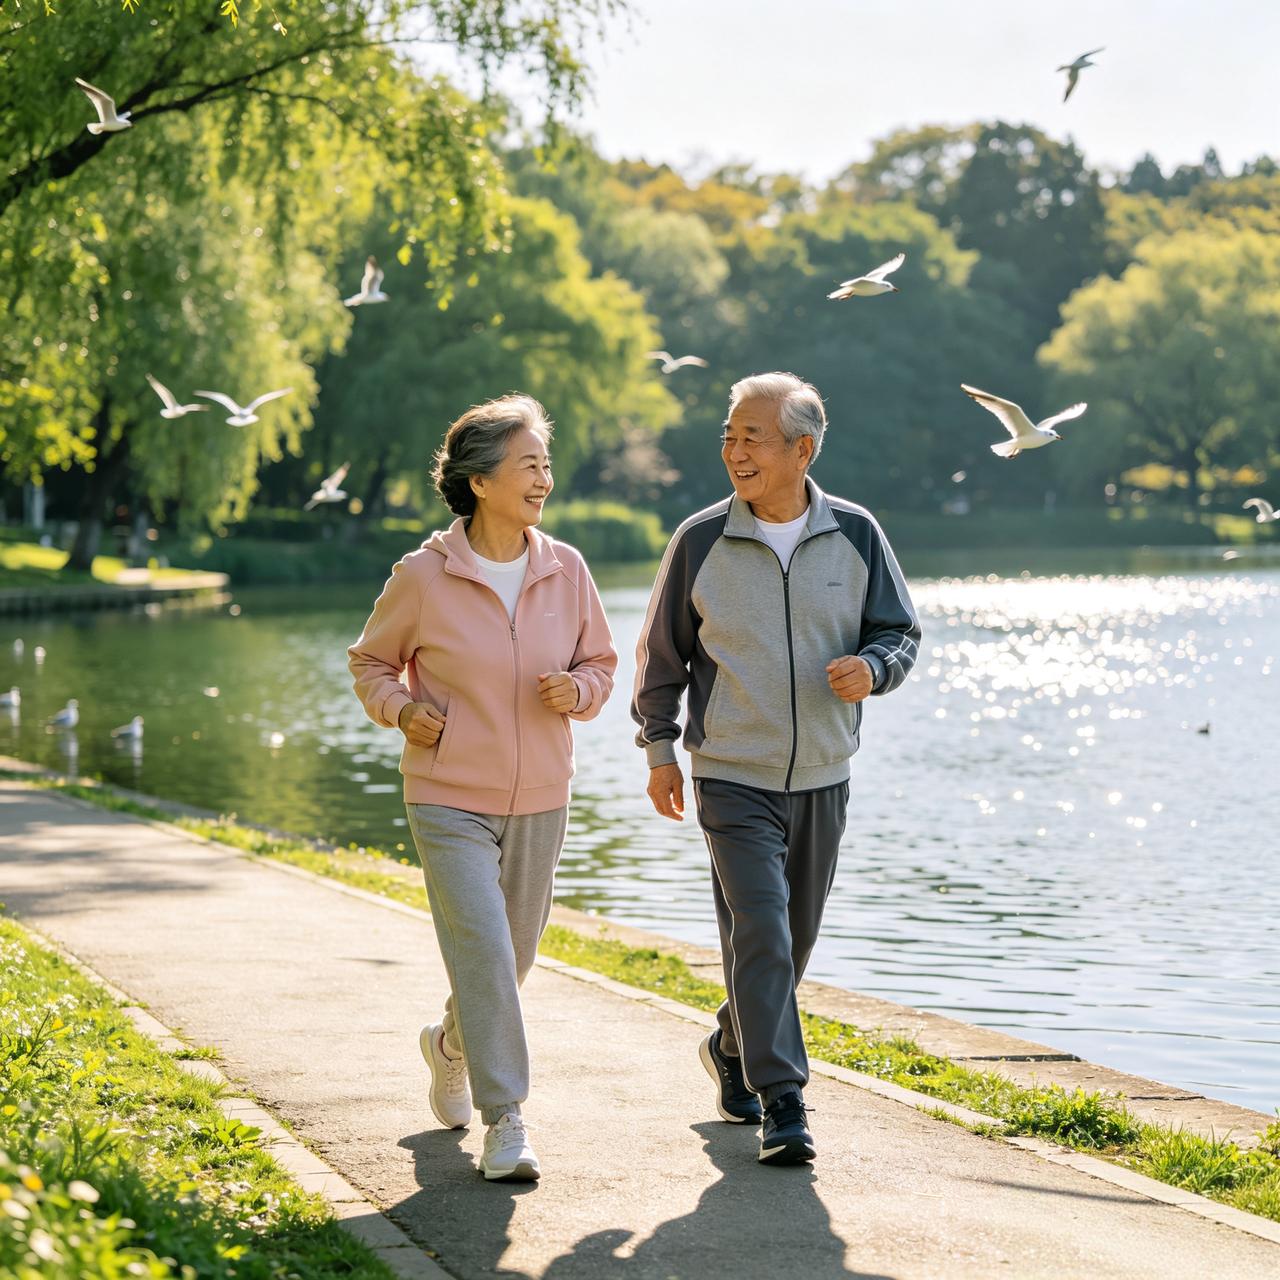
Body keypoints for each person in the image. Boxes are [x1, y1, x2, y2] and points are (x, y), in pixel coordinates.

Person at [632, 371, 921, 1166]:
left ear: (803, 450)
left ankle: (733, 1044)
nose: (735, 451)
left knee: (790, 942)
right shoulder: (700, 540)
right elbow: (660, 657)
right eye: (728, 437)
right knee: (760, 927)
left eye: (751, 437)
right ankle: (783, 1101)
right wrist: (660, 752)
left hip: (824, 774)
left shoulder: (857, 534)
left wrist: (874, 668)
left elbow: (899, 632)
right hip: (730, 773)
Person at [349, 394, 617, 1182]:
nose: (544, 479)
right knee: (488, 952)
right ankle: (506, 1120)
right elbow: (371, 662)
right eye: (529, 464)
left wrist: (580, 690)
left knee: (514, 957)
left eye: (545, 464)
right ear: (480, 481)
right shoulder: (423, 576)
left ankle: (450, 1044)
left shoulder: (566, 569)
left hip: (542, 794)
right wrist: (402, 711)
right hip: (447, 794)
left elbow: (601, 663)